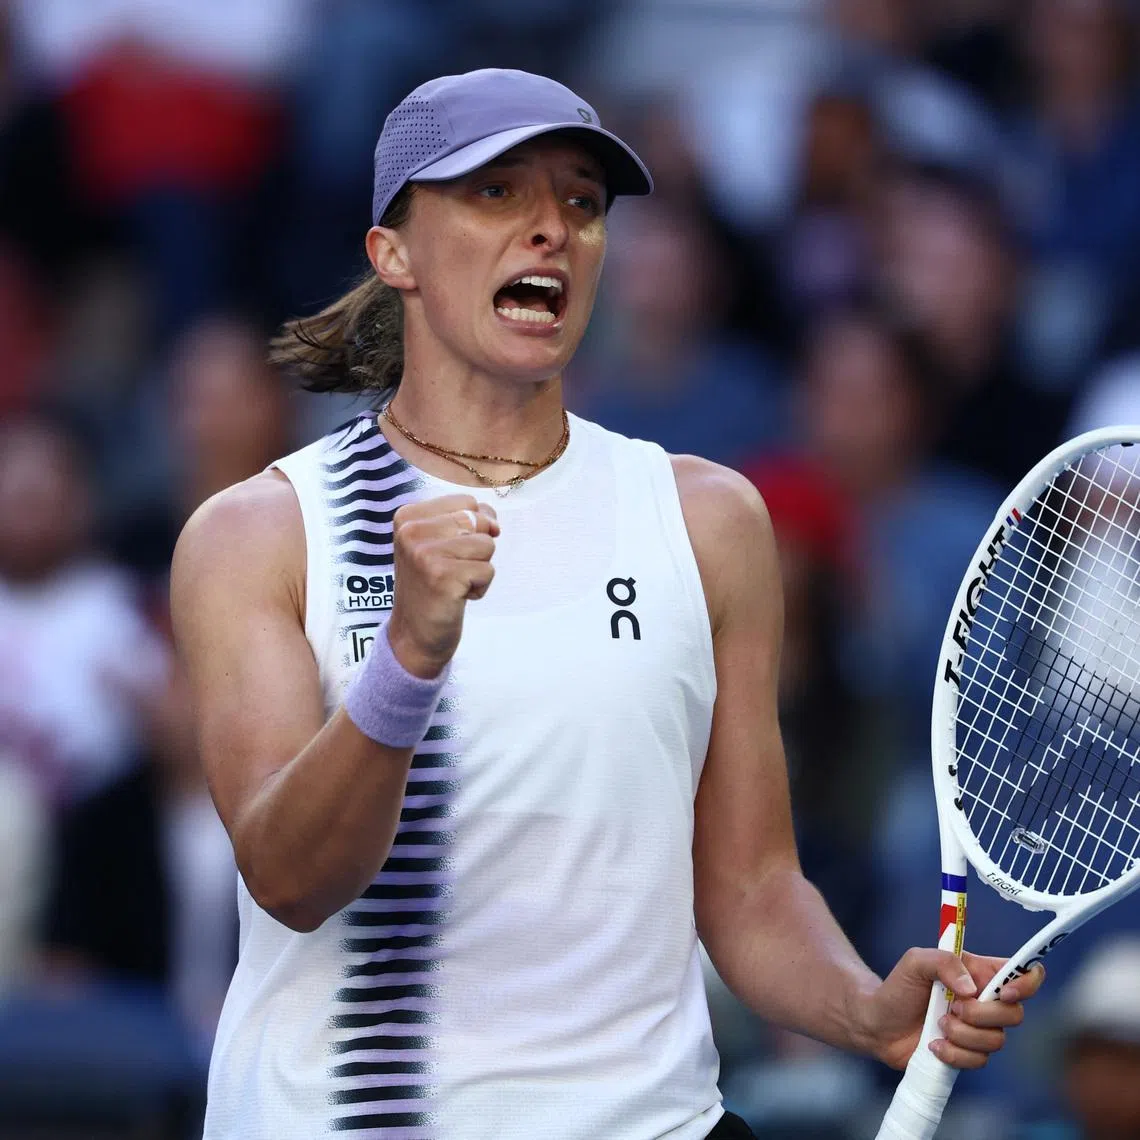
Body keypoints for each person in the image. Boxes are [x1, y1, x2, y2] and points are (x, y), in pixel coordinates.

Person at [171, 68, 1043, 1140]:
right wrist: (406, 659)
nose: (551, 229)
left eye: (581, 203)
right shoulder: (260, 533)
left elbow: (754, 889)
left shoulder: (709, 518)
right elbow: (290, 878)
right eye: (496, 194)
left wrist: (864, 1010)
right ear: (392, 253)